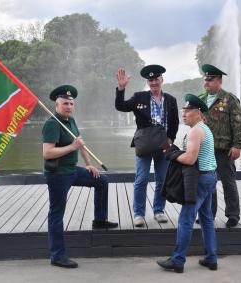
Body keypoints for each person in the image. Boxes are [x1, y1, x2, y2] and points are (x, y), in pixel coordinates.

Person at [42, 85, 118, 269]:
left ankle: (99, 220)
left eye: (71, 103)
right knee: (56, 214)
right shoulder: (52, 124)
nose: (68, 106)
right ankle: (57, 256)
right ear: (56, 104)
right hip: (58, 175)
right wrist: (71, 147)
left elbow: (81, 143)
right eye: (65, 103)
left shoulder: (71, 120)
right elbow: (47, 153)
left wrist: (89, 164)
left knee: (102, 181)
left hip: (72, 170)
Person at [157, 94, 218, 273]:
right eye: (183, 111)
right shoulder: (204, 129)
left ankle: (177, 260)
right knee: (206, 219)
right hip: (209, 177)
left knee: (186, 219)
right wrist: (176, 151)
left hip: (199, 180)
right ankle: (211, 258)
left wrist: (172, 154)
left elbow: (190, 159)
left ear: (198, 113)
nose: (184, 114)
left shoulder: (195, 131)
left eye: (188, 111)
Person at [115, 65, 179, 227]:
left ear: (161, 80)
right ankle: (138, 214)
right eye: (150, 80)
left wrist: (170, 139)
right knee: (141, 179)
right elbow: (120, 106)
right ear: (147, 82)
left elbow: (175, 123)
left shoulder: (171, 100)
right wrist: (121, 89)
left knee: (162, 179)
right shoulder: (139, 97)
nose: (153, 83)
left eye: (156, 79)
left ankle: (159, 211)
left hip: (163, 144)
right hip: (144, 144)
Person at [198, 64, 241, 228]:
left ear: (219, 80)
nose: (206, 83)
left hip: (224, 150)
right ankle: (208, 214)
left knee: (228, 183)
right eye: (206, 79)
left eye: (210, 80)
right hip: (205, 150)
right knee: (207, 184)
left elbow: (238, 124)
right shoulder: (201, 99)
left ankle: (233, 215)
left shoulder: (229, 99)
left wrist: (238, 145)